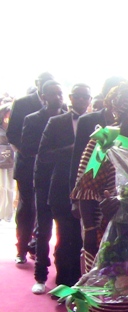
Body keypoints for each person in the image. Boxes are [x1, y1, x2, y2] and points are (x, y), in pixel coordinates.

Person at [71, 81, 128, 312]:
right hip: (107, 230)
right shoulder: (103, 140)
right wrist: (90, 231)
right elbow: (85, 187)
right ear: (124, 111)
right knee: (110, 290)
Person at [36, 83, 92, 292]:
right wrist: (71, 151)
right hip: (60, 187)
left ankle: (78, 283)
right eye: (77, 96)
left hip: (86, 188)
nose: (81, 100)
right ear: (70, 97)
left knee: (82, 240)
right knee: (64, 237)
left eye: (85, 96)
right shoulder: (56, 122)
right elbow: (43, 155)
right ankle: (63, 284)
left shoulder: (95, 123)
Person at [20, 80, 65, 294]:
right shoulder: (33, 120)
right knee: (43, 227)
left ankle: (64, 273)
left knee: (65, 229)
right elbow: (28, 149)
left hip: (65, 179)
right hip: (43, 179)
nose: (59, 97)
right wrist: (60, 150)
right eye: (54, 93)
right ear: (43, 96)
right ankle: (40, 275)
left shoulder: (70, 119)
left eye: (60, 93)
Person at [7, 72, 55, 264]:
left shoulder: (58, 108)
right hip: (27, 164)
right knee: (27, 208)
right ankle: (22, 247)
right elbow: (12, 134)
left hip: (49, 167)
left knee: (45, 208)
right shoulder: (22, 103)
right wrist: (31, 152)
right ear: (37, 84)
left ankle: (37, 245)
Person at [0, 102, 15, 221]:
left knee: (10, 187)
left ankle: (8, 213)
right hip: (1, 159)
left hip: (12, 159)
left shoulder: (14, 125)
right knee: (2, 186)